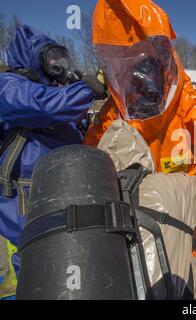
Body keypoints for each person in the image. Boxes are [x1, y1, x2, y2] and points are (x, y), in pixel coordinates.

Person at [83, 0, 196, 231]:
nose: (142, 78)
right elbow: (88, 158)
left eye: (146, 64)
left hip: (184, 217)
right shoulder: (114, 115)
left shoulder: (183, 101)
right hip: (139, 226)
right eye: (129, 65)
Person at [0, 25, 105, 280]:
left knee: (63, 256)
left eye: (62, 59)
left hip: (58, 189)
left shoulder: (52, 90)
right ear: (34, 59)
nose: (59, 65)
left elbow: (69, 118)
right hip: (25, 196)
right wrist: (91, 86)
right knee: (36, 256)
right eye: (52, 59)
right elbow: (46, 107)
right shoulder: (9, 86)